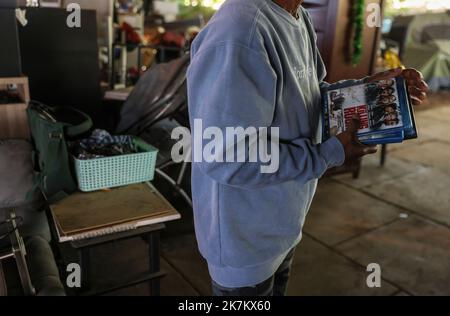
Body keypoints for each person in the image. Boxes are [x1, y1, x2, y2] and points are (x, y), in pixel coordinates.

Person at [187, 0, 428, 296]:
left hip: (282, 223)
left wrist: (367, 93)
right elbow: (226, 155)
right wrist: (327, 154)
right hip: (245, 243)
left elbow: (310, 97)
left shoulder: (296, 15)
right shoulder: (239, 33)